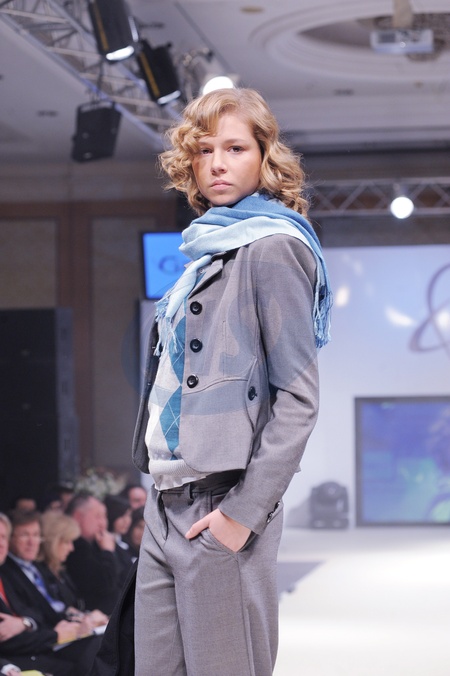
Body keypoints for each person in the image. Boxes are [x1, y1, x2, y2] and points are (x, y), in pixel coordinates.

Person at [132, 87, 332, 676]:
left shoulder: (273, 249)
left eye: (235, 148)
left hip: (222, 502)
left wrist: (242, 514)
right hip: (165, 501)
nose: (217, 163)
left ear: (265, 156)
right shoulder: (204, 251)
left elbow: (297, 399)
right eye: (204, 150)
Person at [1, 510, 103, 675]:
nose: (32, 542)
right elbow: (32, 614)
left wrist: (79, 618)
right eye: (25, 535)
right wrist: (55, 631)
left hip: (51, 637)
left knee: (104, 643)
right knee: (93, 653)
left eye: (36, 535)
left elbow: (34, 614)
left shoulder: (38, 567)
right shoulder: (7, 571)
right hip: (37, 645)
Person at [37, 510, 109, 628]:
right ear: (52, 542)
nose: (71, 548)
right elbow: (55, 612)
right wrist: (89, 618)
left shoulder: (60, 570)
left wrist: (88, 617)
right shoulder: (39, 573)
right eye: (67, 542)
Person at [65, 493, 122, 615]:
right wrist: (108, 551)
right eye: (98, 516)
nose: (103, 523)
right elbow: (105, 584)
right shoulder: (74, 548)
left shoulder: (96, 543)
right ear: (78, 517)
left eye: (105, 517)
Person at [103, 495, 134, 584]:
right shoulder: (103, 543)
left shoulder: (127, 543)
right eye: (122, 516)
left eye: (129, 515)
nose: (126, 521)